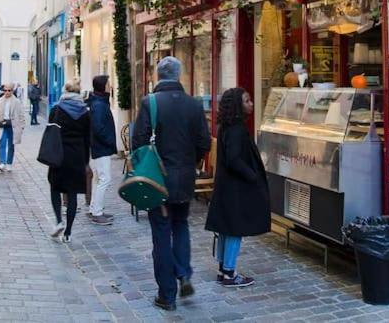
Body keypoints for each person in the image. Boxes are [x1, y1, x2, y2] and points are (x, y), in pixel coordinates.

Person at [131, 56, 211, 312]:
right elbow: (204, 142)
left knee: (162, 234)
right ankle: (184, 272)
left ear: (157, 74)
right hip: (185, 177)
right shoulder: (193, 104)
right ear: (179, 75)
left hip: (159, 180)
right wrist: (190, 161)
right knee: (181, 224)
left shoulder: (150, 103)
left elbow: (139, 143)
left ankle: (167, 294)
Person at [204, 88, 269, 287]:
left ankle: (224, 269)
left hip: (226, 184)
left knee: (226, 228)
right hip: (235, 187)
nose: (251, 103)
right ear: (237, 106)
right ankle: (229, 272)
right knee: (234, 229)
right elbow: (234, 159)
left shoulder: (227, 126)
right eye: (247, 100)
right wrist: (253, 175)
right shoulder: (236, 130)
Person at [46, 82, 91, 243]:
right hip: (77, 155)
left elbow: (50, 130)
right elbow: (87, 138)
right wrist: (86, 160)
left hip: (58, 154)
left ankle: (59, 220)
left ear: (65, 91)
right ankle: (68, 233)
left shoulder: (57, 109)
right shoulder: (85, 112)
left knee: (55, 187)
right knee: (72, 193)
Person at [87, 75, 116, 225]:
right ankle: (97, 212)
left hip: (98, 147)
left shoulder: (99, 102)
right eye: (108, 83)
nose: (110, 86)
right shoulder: (99, 104)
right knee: (104, 178)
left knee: (98, 178)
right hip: (100, 147)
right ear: (103, 86)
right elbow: (98, 128)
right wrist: (109, 140)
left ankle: (94, 208)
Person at [0, 83, 26, 171]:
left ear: (12, 91)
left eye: (9, 90)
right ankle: (2, 162)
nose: (7, 92)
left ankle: (9, 163)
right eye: (5, 90)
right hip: (2, 125)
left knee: (11, 145)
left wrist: (21, 126)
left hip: (13, 125)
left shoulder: (16, 102)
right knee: (2, 143)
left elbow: (21, 115)